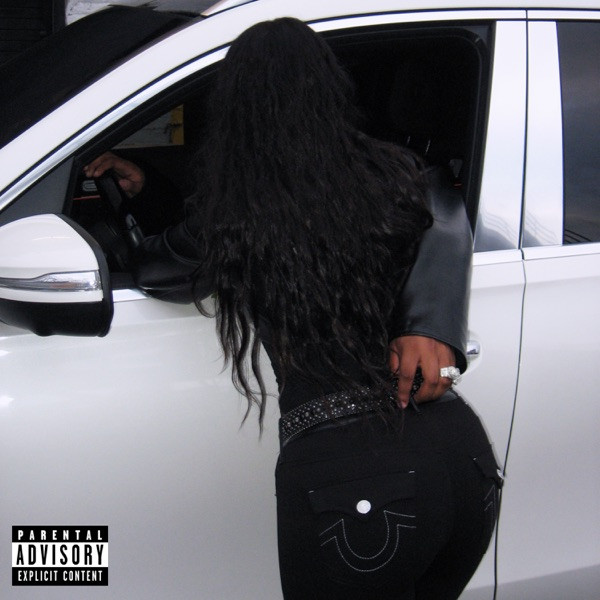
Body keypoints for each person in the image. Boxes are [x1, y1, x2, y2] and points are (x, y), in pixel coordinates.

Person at [85, 18, 501, 599]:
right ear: (333, 91)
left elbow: (160, 268)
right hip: (465, 461)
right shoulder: (399, 177)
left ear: (235, 111)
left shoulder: (236, 216)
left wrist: (137, 202)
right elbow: (444, 209)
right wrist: (431, 319)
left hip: (356, 489)